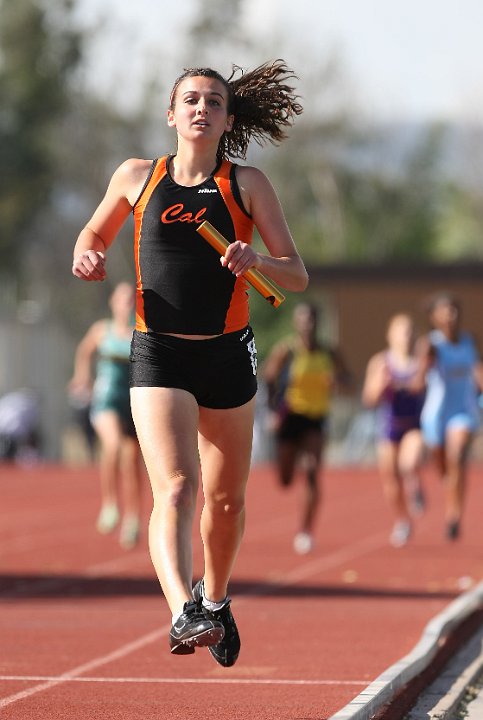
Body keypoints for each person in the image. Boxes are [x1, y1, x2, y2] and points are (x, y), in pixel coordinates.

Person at [71, 60, 308, 665]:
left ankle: (217, 599)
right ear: (171, 115)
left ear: (227, 118)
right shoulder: (137, 176)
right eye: (191, 100)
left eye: (214, 102)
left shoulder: (247, 184)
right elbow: (92, 235)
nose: (202, 109)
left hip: (227, 354)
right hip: (158, 350)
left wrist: (255, 260)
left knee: (225, 503)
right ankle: (184, 610)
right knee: (176, 488)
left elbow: (296, 274)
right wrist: (88, 255)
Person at [262, 302, 350, 554]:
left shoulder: (329, 353)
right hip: (290, 417)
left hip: (315, 418)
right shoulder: (286, 351)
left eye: (311, 319)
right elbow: (269, 377)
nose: (307, 324)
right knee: (286, 478)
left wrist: (338, 380)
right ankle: (287, 471)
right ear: (296, 323)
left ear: (317, 322)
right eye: (303, 319)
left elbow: (348, 379)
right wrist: (272, 412)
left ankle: (305, 530)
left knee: (311, 471)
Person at [68, 282, 144, 550]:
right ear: (113, 302)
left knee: (132, 460)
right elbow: (84, 350)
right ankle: (110, 503)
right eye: (122, 298)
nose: (127, 303)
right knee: (112, 446)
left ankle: (133, 519)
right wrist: (81, 375)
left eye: (130, 299)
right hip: (106, 400)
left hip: (133, 403)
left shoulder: (139, 334)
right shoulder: (102, 330)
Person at [416, 293, 483, 541]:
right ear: (435, 317)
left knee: (458, 456)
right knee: (445, 472)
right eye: (445, 311)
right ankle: (447, 494)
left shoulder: (468, 342)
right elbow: (419, 379)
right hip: (436, 415)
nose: (450, 316)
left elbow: (477, 372)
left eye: (454, 310)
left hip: (462, 412)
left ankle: (453, 515)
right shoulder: (431, 344)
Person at [362, 313, 426, 548]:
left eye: (410, 331)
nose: (406, 336)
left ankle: (415, 484)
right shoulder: (381, 363)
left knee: (408, 463)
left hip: (414, 426)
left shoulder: (421, 363)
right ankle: (402, 520)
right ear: (391, 335)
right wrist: (381, 385)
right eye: (402, 331)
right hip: (389, 428)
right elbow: (368, 399)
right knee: (390, 481)